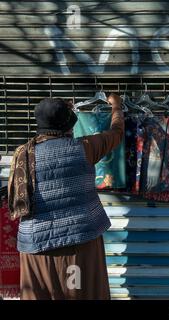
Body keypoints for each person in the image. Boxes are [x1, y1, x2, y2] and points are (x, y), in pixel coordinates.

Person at [7, 93, 124, 300]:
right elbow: (116, 133)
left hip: (35, 248)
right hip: (79, 246)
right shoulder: (85, 148)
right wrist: (116, 107)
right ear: (68, 127)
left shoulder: (23, 154)